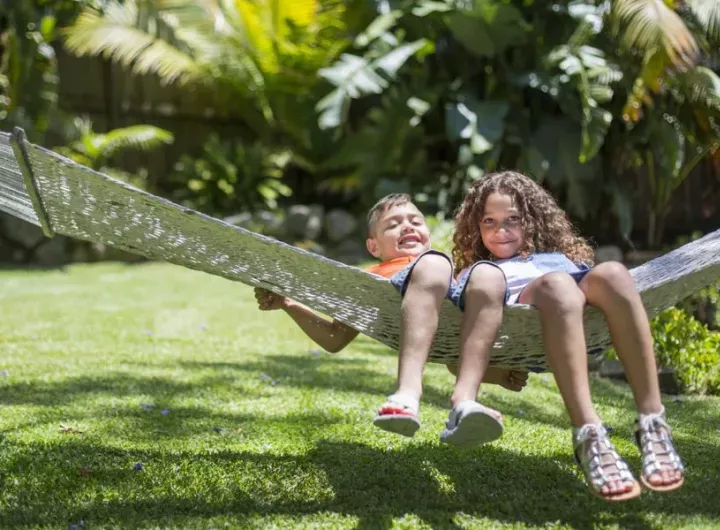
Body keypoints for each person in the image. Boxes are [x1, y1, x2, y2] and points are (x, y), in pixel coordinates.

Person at [449, 170, 685, 501]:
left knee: (614, 272)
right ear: (476, 226)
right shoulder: (480, 273)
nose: (500, 231)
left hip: (578, 307)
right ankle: (588, 432)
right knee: (558, 285)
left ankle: (652, 421)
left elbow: (589, 281)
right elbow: (455, 346)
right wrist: (498, 374)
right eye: (488, 221)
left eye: (512, 219)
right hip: (536, 307)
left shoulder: (558, 258)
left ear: (531, 220)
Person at [255, 193, 527, 445]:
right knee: (434, 265)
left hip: (454, 318)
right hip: (415, 319)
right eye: (393, 225)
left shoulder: (451, 270)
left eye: (415, 221)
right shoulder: (369, 280)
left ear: (428, 234)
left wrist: (498, 375)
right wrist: (288, 303)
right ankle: (409, 395)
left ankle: (467, 405)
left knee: (445, 266)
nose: (407, 227)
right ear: (373, 246)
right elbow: (334, 338)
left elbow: (454, 356)